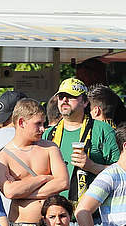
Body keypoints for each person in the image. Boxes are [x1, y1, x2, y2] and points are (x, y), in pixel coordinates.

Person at [0, 98, 68, 226]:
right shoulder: (2, 157)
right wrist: (44, 178)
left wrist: (24, 192)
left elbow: (62, 182)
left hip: (54, 224)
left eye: (43, 123)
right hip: (23, 225)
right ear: (21, 122)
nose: (42, 129)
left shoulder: (50, 148)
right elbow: (10, 192)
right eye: (38, 124)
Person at [43, 77, 119, 208]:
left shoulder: (102, 130)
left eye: (70, 96)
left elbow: (121, 172)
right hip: (56, 217)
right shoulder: (48, 134)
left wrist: (92, 166)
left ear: (84, 102)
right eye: (61, 97)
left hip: (93, 217)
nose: (64, 100)